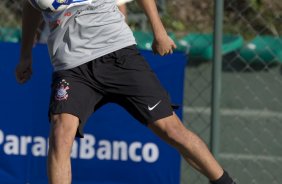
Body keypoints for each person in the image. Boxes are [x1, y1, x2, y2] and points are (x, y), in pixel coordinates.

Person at [15, 0, 236, 184]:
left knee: (171, 130)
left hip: (117, 55)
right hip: (71, 68)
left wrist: (159, 31)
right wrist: (26, 54)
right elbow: (31, 6)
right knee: (60, 133)